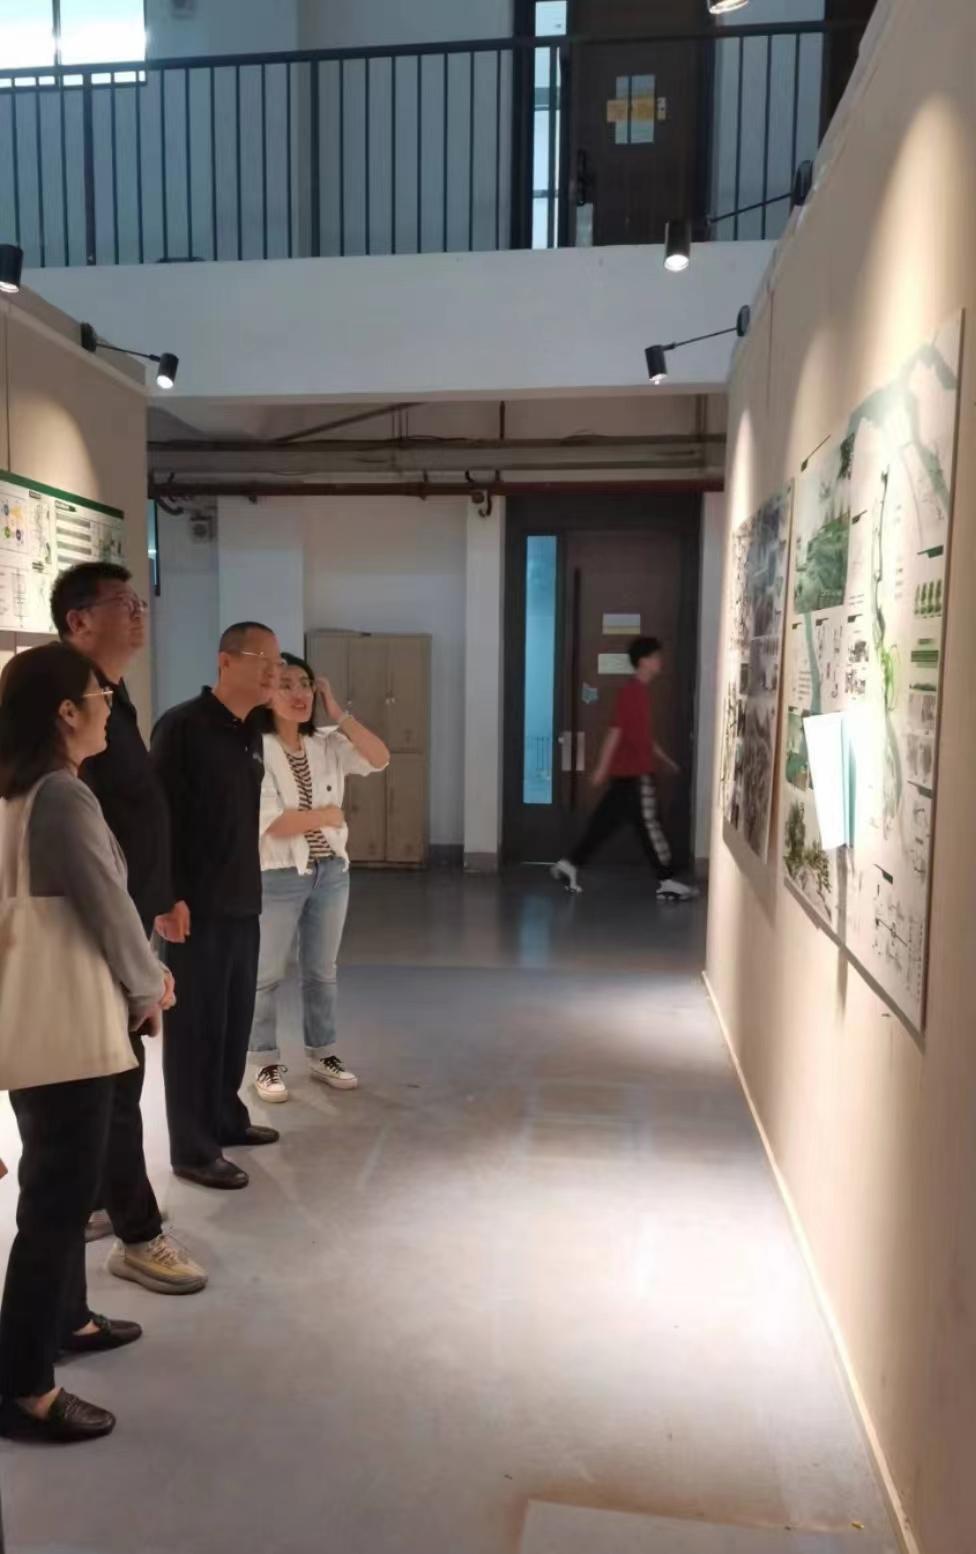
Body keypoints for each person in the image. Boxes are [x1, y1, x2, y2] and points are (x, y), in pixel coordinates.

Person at [0, 644, 172, 1443]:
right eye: (100, 696)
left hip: (36, 1025)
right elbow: (109, 907)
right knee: (55, 1205)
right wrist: (149, 986)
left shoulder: (17, 792)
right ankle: (24, 1387)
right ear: (67, 712)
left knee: (56, 1187)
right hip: (71, 1030)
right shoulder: (62, 795)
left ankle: (68, 1317)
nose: (110, 707)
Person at [52, 561, 206, 1296]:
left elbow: (140, 805)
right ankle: (137, 1233)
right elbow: (85, 842)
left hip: (127, 915)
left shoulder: (113, 696)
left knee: (114, 1075)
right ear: (79, 620)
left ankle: (99, 1200)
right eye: (123, 603)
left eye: (140, 600)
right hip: (94, 927)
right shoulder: (64, 704)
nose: (140, 613)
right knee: (114, 1077)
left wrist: (162, 895)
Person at [151, 622, 283, 1189]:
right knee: (194, 1032)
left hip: (242, 901)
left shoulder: (249, 731)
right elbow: (158, 816)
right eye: (263, 659)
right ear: (225, 661)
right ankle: (192, 1148)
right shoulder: (182, 726)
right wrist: (166, 896)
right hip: (194, 909)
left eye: (278, 662)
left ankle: (226, 1118)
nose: (274, 672)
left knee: (232, 1023)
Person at [248, 654, 389, 1104]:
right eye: (286, 684)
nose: (299, 693)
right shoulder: (258, 748)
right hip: (279, 874)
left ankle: (322, 1053)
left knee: (322, 972)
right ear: (267, 694)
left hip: (330, 873)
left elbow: (380, 757)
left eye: (306, 684)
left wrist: (339, 714)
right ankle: (264, 1060)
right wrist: (327, 816)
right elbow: (273, 823)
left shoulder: (327, 742)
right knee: (265, 974)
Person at [551, 636, 698, 901]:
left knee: (603, 824)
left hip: (626, 777)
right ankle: (666, 880)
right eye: (656, 657)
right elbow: (615, 732)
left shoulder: (637, 692)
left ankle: (569, 864)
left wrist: (664, 759)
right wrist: (601, 768)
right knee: (651, 827)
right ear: (643, 661)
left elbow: (644, 737)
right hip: (636, 775)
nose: (660, 661)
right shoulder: (632, 693)